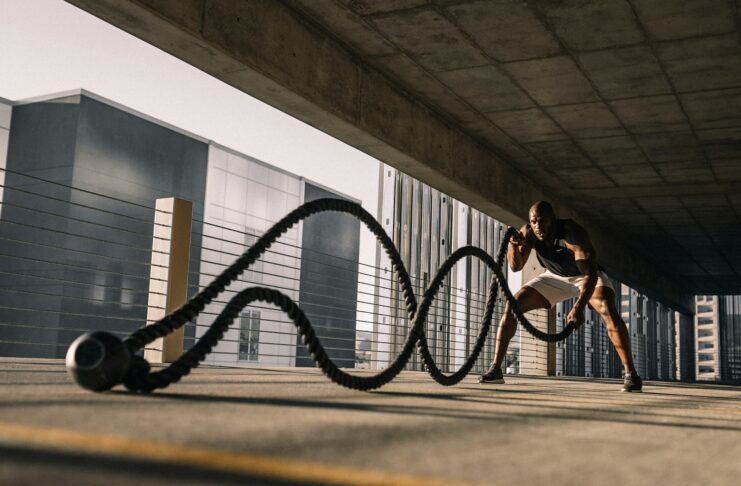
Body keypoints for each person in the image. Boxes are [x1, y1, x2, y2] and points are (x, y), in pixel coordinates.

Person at [479, 201, 642, 392]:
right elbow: (516, 266)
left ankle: (631, 374)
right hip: (554, 276)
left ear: (553, 220)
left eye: (543, 221)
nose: (538, 226)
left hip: (585, 276)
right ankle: (496, 369)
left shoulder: (572, 234)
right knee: (513, 305)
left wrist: (579, 307)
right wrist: (513, 247)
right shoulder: (529, 232)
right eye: (534, 221)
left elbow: (590, 275)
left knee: (607, 308)